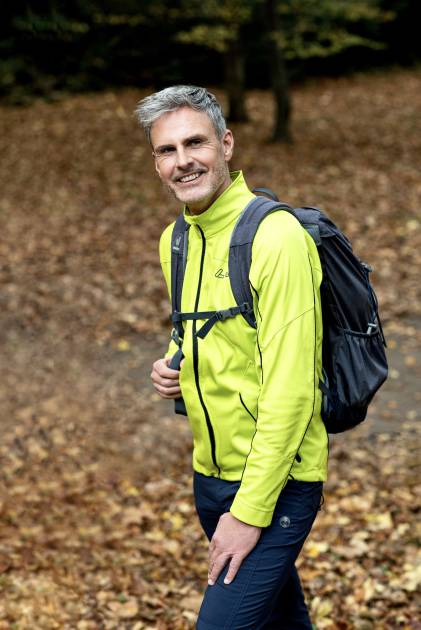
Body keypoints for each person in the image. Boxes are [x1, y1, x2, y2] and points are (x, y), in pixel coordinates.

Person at [135, 85, 328, 629]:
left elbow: (293, 390)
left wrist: (248, 512)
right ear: (156, 164)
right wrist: (172, 364)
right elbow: (197, 332)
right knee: (281, 621)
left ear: (225, 144)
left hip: (278, 482)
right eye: (167, 150)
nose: (182, 161)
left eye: (194, 143)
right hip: (210, 477)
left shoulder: (276, 238)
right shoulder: (175, 240)